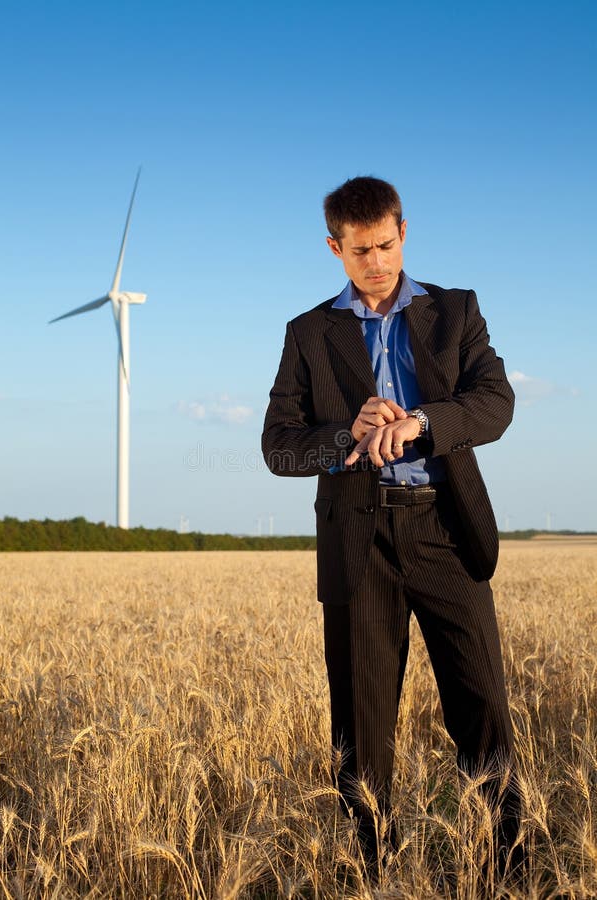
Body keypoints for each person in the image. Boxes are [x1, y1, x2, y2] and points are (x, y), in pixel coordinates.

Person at [261, 176, 520, 878]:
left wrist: (424, 422)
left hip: (445, 530)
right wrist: (347, 433)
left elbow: (495, 403)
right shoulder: (308, 333)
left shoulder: (455, 311)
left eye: (385, 244)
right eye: (359, 250)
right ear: (334, 249)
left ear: (403, 232)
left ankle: (511, 871)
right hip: (358, 542)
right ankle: (378, 875)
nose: (376, 261)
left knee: (483, 709)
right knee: (362, 726)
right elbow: (278, 444)